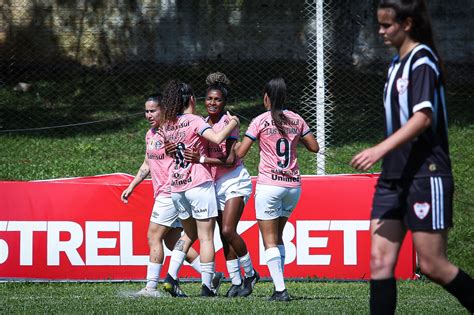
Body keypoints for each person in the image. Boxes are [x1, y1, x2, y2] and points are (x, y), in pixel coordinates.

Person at [350, 1, 474, 313]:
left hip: (425, 174)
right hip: (392, 177)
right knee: (379, 262)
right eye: (379, 24)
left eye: (386, 25)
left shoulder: (422, 61)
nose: (380, 31)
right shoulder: (395, 65)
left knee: (433, 265)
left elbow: (423, 118)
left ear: (406, 24)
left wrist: (378, 149)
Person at [235, 78, 319, 301]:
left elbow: (240, 153)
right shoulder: (296, 119)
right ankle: (278, 286)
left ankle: (281, 290)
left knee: (269, 240)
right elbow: (314, 147)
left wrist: (228, 140)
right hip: (293, 187)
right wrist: (292, 136)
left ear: (266, 98)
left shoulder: (260, 121)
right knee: (278, 237)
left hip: (269, 186)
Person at [159, 79, 240, 297]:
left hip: (176, 186)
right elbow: (217, 137)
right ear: (192, 100)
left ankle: (170, 277)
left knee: (188, 234)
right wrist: (233, 123)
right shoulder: (194, 120)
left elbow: (169, 152)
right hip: (197, 183)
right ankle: (207, 287)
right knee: (205, 237)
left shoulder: (167, 124)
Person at [184, 72, 259, 297]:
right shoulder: (203, 123)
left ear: (224, 102)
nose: (212, 103)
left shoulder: (229, 122)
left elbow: (229, 160)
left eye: (217, 100)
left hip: (235, 180)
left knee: (228, 229)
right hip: (214, 183)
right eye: (209, 99)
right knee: (222, 235)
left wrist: (202, 159)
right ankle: (236, 281)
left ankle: (251, 273)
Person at [120, 94, 201, 297]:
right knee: (172, 241)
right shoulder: (150, 134)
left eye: (153, 110)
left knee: (153, 236)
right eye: (146, 111)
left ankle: (151, 287)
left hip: (171, 192)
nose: (149, 115)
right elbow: (147, 163)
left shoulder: (171, 132)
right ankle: (211, 274)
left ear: (164, 110)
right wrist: (132, 186)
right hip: (164, 194)